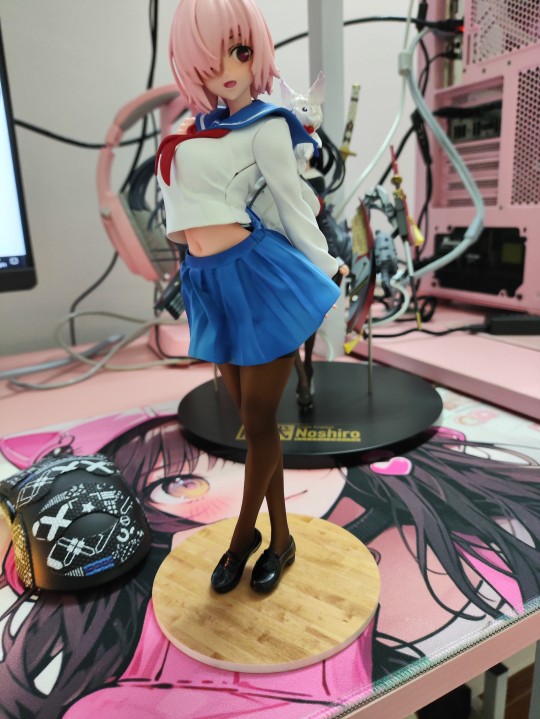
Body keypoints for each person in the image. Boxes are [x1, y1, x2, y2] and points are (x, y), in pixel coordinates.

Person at [154, 0, 340, 593]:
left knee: (258, 423)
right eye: (210, 58)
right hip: (210, 284)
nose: (226, 68)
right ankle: (280, 539)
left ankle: (242, 539)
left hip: (260, 277)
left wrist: (327, 266)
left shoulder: (267, 126)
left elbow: (292, 202)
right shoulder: (194, 131)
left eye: (239, 51)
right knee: (255, 428)